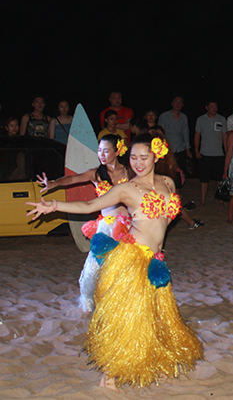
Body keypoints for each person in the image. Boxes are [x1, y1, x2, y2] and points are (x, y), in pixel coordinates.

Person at [27, 133, 203, 389]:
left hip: (155, 258)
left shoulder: (168, 182)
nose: (138, 163)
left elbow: (167, 220)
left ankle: (146, 360)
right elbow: (89, 204)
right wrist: (54, 205)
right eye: (133, 157)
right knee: (127, 316)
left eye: (144, 157)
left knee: (151, 313)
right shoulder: (126, 188)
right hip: (132, 258)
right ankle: (109, 375)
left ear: (156, 156)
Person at [36, 134, 131, 312]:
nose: (101, 154)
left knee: (125, 266)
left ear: (117, 151)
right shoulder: (96, 173)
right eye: (99, 150)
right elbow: (72, 179)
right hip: (106, 225)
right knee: (93, 266)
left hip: (129, 226)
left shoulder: (129, 172)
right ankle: (87, 301)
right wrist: (53, 184)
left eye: (106, 150)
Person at [194, 100, 228, 207]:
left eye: (215, 106)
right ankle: (203, 200)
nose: (214, 108)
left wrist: (227, 151)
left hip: (218, 154)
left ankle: (221, 200)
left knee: (219, 179)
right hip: (205, 154)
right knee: (204, 179)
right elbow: (197, 135)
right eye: (211, 106)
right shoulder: (201, 119)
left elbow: (224, 136)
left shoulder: (222, 119)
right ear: (207, 107)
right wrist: (196, 150)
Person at [158, 96, 193, 176]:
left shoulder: (184, 117)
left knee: (179, 171)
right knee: (167, 170)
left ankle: (177, 188)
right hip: (167, 148)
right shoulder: (164, 116)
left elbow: (185, 132)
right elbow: (160, 133)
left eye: (180, 102)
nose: (178, 103)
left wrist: (188, 149)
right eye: (176, 101)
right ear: (172, 103)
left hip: (180, 148)